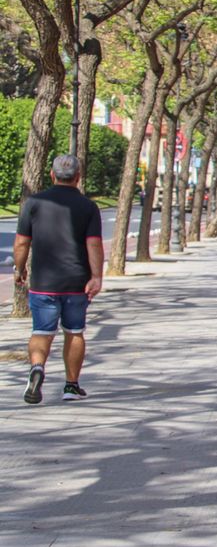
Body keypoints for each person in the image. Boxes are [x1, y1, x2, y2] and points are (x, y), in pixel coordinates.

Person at [13, 155, 104, 404]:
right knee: (74, 332)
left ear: (52, 175)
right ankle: (71, 386)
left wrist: (20, 269)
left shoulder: (34, 203)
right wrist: (96, 276)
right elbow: (94, 244)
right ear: (78, 177)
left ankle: (37, 367)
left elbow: (21, 242)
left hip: (43, 282)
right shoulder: (88, 207)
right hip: (76, 282)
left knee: (41, 331)